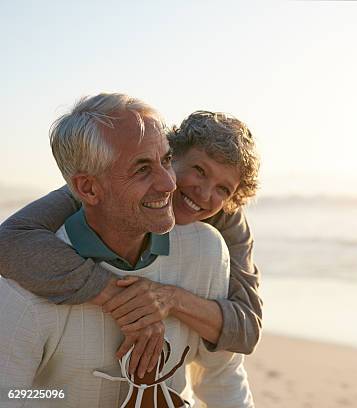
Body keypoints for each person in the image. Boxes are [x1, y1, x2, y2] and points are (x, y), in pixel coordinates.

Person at [0, 93, 253, 407]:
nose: (169, 184)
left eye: (163, 161)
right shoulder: (25, 278)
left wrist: (169, 299)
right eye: (142, 169)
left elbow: (226, 371)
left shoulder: (210, 248)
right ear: (88, 189)